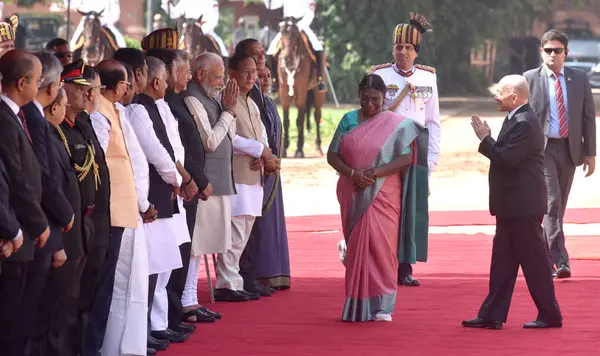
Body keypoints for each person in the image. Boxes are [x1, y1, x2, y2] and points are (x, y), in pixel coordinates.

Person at [463, 75, 562, 330]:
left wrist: (485, 138)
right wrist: (488, 139)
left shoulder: (525, 123)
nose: (496, 96)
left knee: (535, 264)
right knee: (502, 264)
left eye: (500, 92)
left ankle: (550, 315)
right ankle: (491, 315)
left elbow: (506, 158)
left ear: (514, 96)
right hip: (511, 207)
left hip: (523, 207)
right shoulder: (516, 118)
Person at [328, 74, 428, 322]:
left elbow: (405, 158)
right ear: (359, 94)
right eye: (365, 98)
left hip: (384, 192)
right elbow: (333, 154)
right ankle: (358, 302)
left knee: (383, 248)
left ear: (385, 98)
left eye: (376, 99)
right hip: (353, 190)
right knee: (357, 247)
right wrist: (353, 174)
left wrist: (373, 174)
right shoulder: (349, 120)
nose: (370, 104)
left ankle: (383, 305)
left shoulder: (394, 124)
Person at [370, 12, 439, 287]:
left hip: (416, 149)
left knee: (412, 208)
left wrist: (431, 160)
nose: (403, 52)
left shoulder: (429, 78)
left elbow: (432, 121)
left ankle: (405, 266)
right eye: (398, 47)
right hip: (386, 147)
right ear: (392, 49)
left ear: (417, 52)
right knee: (385, 205)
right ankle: (380, 261)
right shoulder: (379, 75)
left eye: (409, 48)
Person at [13, 51, 74, 355]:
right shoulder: (31, 118)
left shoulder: (31, 115)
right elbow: (39, 177)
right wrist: (64, 215)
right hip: (34, 228)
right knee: (25, 317)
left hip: (37, 228)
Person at [523, 29, 596, 279]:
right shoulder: (529, 79)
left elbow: (588, 117)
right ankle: (560, 261)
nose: (552, 55)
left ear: (566, 52)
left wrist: (590, 153)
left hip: (570, 149)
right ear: (541, 52)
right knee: (552, 204)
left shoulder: (579, 79)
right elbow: (521, 118)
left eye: (557, 50)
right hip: (541, 151)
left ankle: (541, 257)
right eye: (548, 50)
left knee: (558, 207)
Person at [126, 56, 189, 346]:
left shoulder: (154, 106)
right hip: (155, 193)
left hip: (166, 191)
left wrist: (178, 178)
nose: (165, 84)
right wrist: (179, 179)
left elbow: (170, 149)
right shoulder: (139, 109)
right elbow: (156, 151)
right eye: (164, 79)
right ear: (155, 81)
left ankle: (157, 325)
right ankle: (148, 328)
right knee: (152, 267)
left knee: (163, 265)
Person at [181, 53, 246, 301]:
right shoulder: (192, 98)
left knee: (206, 243)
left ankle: (191, 298)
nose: (222, 82)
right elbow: (210, 141)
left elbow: (229, 135)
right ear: (201, 75)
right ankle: (188, 298)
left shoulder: (212, 98)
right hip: (205, 182)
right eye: (218, 77)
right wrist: (228, 111)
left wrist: (227, 110)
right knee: (196, 246)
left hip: (219, 181)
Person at [0, 50, 51, 355]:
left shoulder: (16, 115)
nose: (41, 85)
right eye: (37, 80)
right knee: (9, 321)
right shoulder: (5, 119)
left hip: (21, 232)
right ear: (21, 83)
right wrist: (34, 224)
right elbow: (15, 178)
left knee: (18, 318)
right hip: (13, 231)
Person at [215, 53, 277, 302]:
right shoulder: (225, 99)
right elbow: (229, 137)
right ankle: (226, 283)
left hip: (254, 174)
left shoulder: (251, 102)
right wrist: (259, 150)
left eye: (255, 72)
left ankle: (234, 281)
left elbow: (262, 136)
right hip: (236, 173)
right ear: (232, 74)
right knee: (235, 230)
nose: (252, 77)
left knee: (245, 229)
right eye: (246, 72)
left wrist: (264, 153)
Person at [30, 87, 85, 356]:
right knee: (44, 314)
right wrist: (65, 218)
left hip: (65, 232)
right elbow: (47, 184)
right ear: (54, 106)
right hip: (52, 232)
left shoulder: (51, 132)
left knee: (59, 309)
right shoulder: (44, 132)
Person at [235, 39, 289, 292]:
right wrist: (262, 153)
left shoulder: (258, 95)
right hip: (245, 168)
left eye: (262, 55)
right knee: (244, 228)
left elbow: (263, 131)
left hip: (262, 164)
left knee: (313, 44)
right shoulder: (239, 94)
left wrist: (268, 156)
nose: (261, 59)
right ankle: (244, 276)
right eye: (254, 56)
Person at [264, 0, 325, 91]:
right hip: (287, 25)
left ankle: (320, 80)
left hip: (302, 25)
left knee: (318, 47)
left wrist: (299, 25)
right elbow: (272, 5)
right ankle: (274, 81)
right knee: (271, 50)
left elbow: (310, 13)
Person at [161, 0, 229, 57]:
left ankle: (225, 66)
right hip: (188, 31)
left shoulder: (211, 2)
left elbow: (214, 20)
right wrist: (166, 4)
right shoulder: (185, 1)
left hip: (207, 31)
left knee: (221, 47)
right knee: (176, 52)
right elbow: (174, 14)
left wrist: (200, 29)